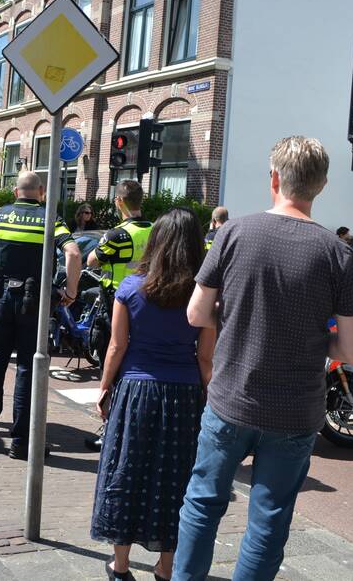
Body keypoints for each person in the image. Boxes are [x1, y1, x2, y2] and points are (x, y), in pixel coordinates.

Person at [173, 136, 353, 580]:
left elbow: (196, 313)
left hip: (230, 400)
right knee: (269, 520)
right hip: (296, 411)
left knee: (202, 504)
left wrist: (237, 317)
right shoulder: (338, 255)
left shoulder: (233, 234)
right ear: (320, 185)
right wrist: (320, 344)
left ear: (275, 179)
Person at [91, 207, 216, 581]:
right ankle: (166, 568)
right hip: (184, 396)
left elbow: (117, 346)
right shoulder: (203, 295)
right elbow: (206, 357)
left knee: (127, 470)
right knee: (175, 479)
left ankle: (121, 565)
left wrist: (104, 387)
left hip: (136, 390)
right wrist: (210, 398)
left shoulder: (130, 288)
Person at [0, 171, 82, 459]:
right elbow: (74, 254)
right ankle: (21, 441)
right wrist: (71, 291)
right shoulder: (50, 219)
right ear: (41, 192)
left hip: (0, 299)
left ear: (16, 192)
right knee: (28, 370)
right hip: (34, 305)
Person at [84, 180, 154, 452]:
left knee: (111, 364)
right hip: (149, 305)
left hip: (117, 303)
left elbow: (92, 261)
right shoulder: (156, 231)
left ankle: (110, 428)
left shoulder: (117, 235)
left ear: (119, 202)